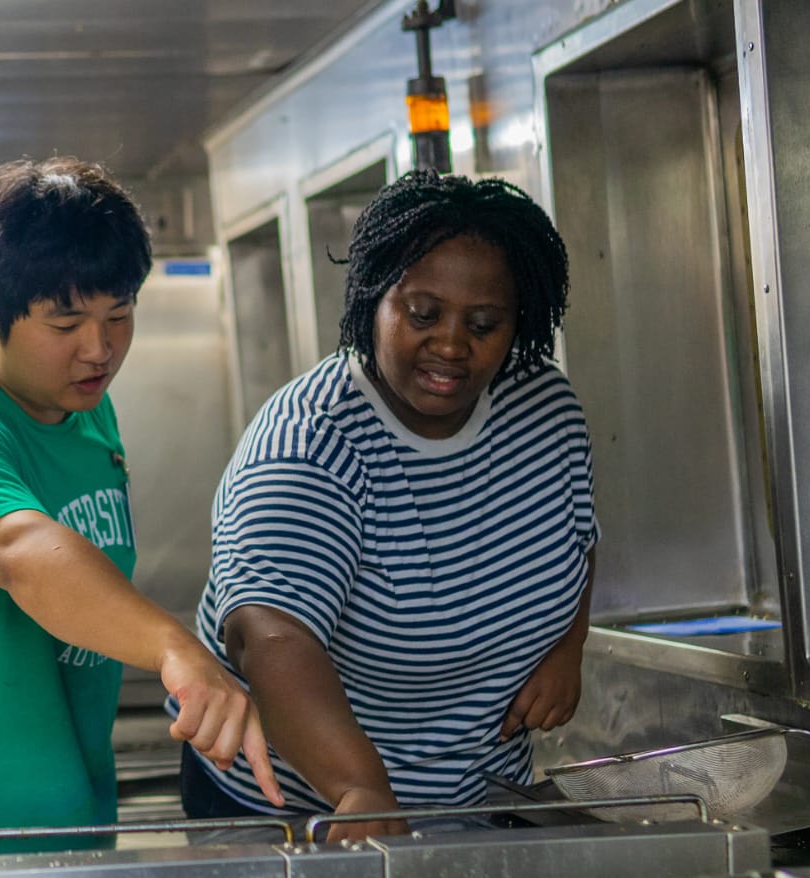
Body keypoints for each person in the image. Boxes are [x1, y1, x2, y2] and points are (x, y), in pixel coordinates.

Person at [0, 157, 282, 841]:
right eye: (65, 325)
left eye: (119, 314)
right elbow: (22, 551)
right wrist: (172, 645)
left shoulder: (86, 410)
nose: (99, 350)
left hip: (65, 825)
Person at [177, 170, 598, 842]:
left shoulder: (545, 409)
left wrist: (567, 647)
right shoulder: (310, 444)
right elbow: (272, 639)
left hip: (478, 795)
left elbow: (576, 538)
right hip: (298, 810)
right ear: (374, 296)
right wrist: (358, 786)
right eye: (423, 314)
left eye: (484, 324)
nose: (452, 345)